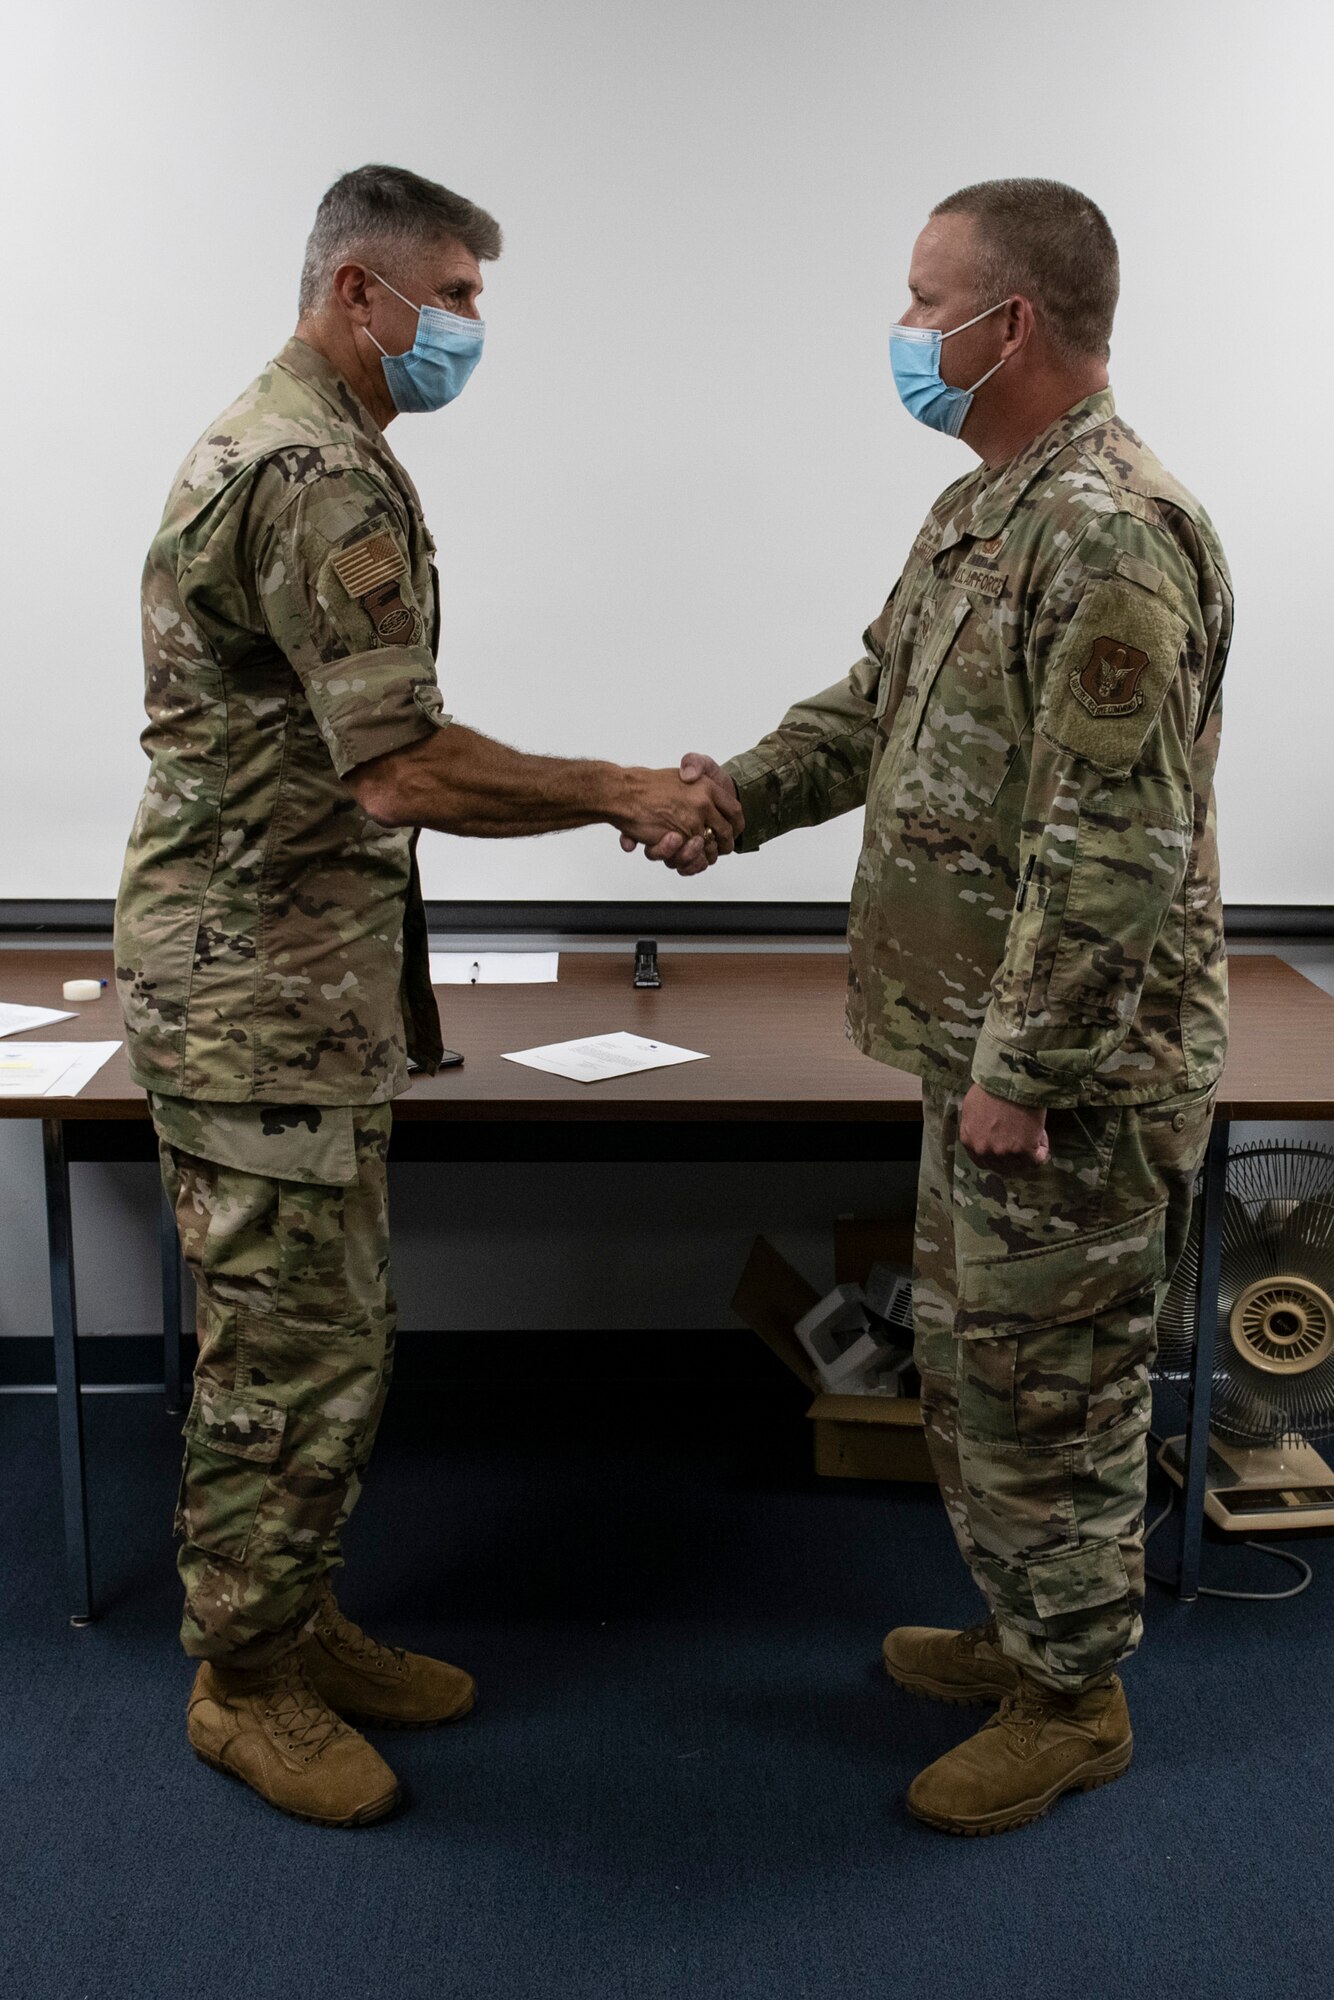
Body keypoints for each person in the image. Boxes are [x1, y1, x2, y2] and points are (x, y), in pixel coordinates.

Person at [114, 163, 741, 1828]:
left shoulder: (295, 437)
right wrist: (621, 787)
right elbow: (396, 771)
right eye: (453, 296)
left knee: (327, 1335)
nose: (469, 328)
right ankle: (242, 1681)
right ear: (357, 296)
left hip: (281, 978)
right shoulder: (317, 469)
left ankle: (301, 1618)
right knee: (285, 1350)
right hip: (256, 985)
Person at [627, 178, 1232, 1836]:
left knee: (1057, 1390)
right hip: (976, 1056)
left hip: (1067, 1085)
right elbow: (873, 704)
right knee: (977, 1375)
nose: (904, 333)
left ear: (1009, 324)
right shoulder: (987, 508)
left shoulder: (1107, 531)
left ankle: (1073, 1700)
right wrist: (730, 799)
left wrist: (1023, 1071)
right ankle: (1022, 1638)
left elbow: (1114, 844)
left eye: (919, 300)